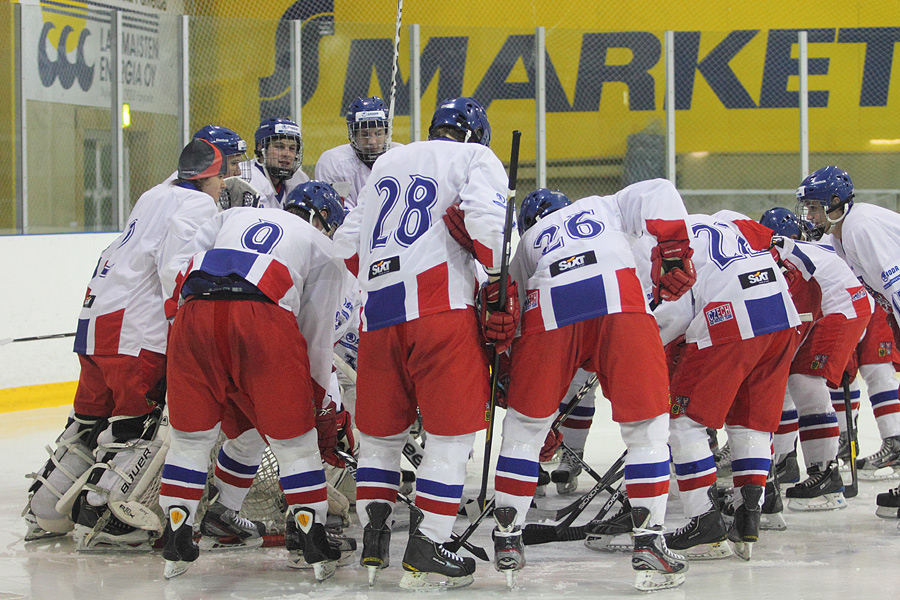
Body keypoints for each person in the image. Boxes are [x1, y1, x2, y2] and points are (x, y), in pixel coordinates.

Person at [332, 97, 512, 590]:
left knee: (382, 437)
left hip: (380, 315)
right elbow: (486, 220)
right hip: (439, 310)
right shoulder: (474, 158)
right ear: (478, 134)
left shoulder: (389, 160)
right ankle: (429, 543)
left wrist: (385, 277)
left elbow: (346, 245)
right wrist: (495, 278)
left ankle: (374, 541)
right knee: (449, 437)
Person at [25, 139, 228, 550]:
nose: (223, 186)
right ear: (207, 177)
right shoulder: (198, 206)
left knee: (88, 423)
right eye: (222, 176)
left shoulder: (155, 194)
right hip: (135, 329)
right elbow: (176, 268)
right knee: (135, 427)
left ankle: (46, 508)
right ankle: (104, 518)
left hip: (96, 319)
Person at [496, 184, 695, 591]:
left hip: (549, 306)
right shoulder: (602, 206)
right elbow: (659, 191)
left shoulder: (528, 242)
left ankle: (508, 538)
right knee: (647, 432)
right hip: (617, 295)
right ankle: (649, 542)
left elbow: (508, 322)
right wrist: (673, 250)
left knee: (523, 432)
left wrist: (512, 388)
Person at [157, 198, 347, 581]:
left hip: (194, 310)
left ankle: (177, 532)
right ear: (326, 222)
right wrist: (313, 401)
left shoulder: (233, 215)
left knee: (190, 441)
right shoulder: (324, 248)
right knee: (295, 445)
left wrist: (183, 322)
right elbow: (315, 336)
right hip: (263, 317)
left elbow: (176, 267)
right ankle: (313, 538)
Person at [644, 210, 801, 562]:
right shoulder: (728, 220)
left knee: (683, 421)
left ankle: (704, 522)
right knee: (750, 421)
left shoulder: (655, 244)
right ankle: (749, 516)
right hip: (782, 314)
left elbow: (676, 314)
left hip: (730, 317)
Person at [794, 165, 900, 520]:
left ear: (835, 202)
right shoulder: (840, 233)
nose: (809, 215)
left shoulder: (859, 226)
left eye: (814, 207)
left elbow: (895, 283)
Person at [759, 207, 872, 511]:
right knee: (797, 378)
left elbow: (795, 309)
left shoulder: (775, 257)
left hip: (843, 308)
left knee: (803, 380)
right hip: (841, 305)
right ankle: (815, 469)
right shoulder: (780, 251)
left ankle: (826, 476)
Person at [315, 96, 401, 208]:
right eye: (365, 134)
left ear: (386, 133)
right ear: (353, 135)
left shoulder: (400, 157)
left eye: (378, 133)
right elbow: (337, 213)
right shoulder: (333, 163)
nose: (372, 141)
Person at [246, 117, 309, 208]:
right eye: (279, 147)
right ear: (261, 148)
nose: (287, 154)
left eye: (292, 148)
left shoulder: (300, 179)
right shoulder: (248, 177)